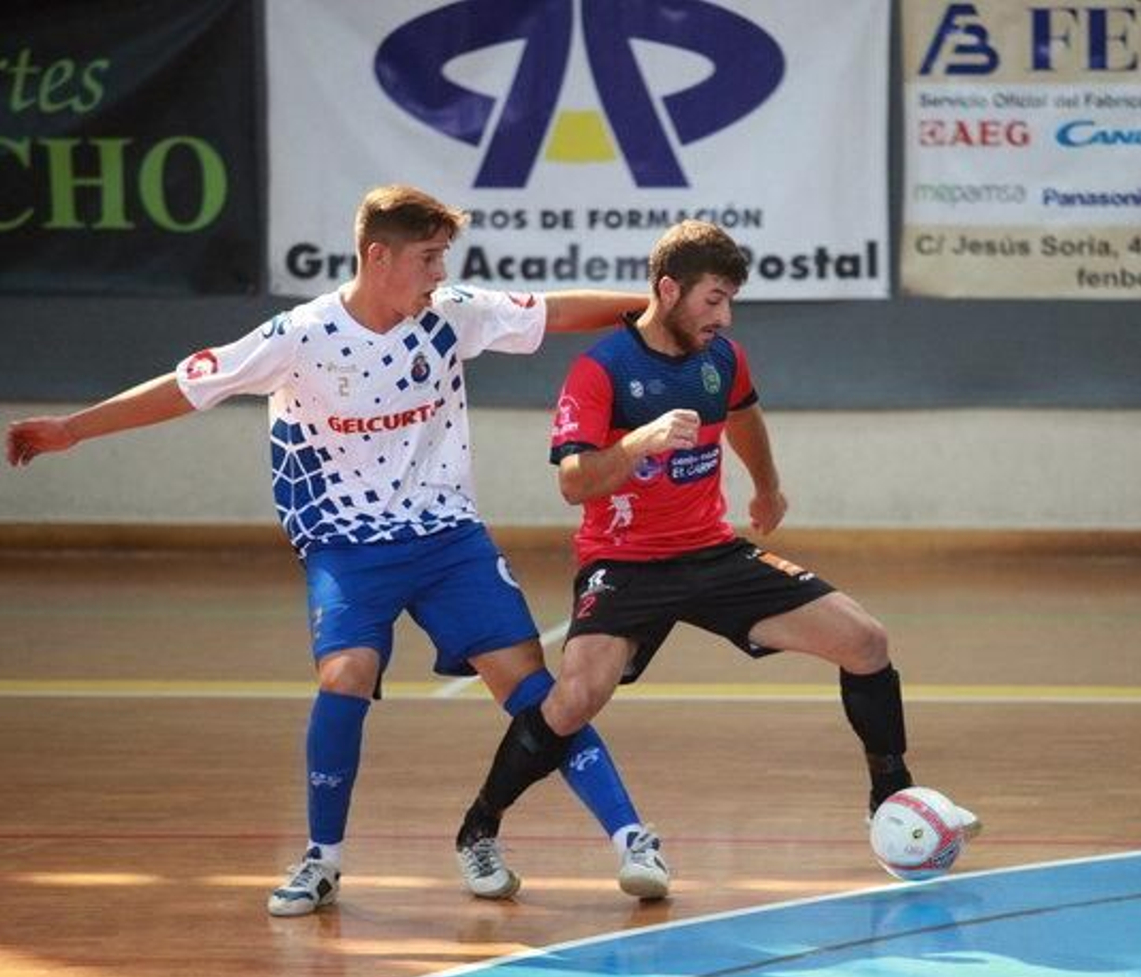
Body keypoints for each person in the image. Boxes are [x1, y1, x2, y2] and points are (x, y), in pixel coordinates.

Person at [5, 184, 672, 916]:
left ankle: (632, 839)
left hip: (448, 538)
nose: (439, 274)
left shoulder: (451, 314)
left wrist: (658, 311)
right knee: (346, 673)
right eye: (427, 258)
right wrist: (73, 429)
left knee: (535, 691)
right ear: (378, 256)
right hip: (347, 547)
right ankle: (322, 860)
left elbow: (558, 310)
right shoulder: (300, 336)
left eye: (443, 258)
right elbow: (187, 387)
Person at [451, 219, 978, 871]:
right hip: (625, 563)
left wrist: (767, 487)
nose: (724, 317)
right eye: (713, 299)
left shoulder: (721, 359)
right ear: (669, 290)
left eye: (730, 301)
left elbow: (745, 415)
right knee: (575, 697)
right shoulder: (601, 369)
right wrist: (640, 441)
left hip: (712, 552)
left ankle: (892, 798)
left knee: (866, 641)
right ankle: (480, 824)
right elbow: (573, 483)